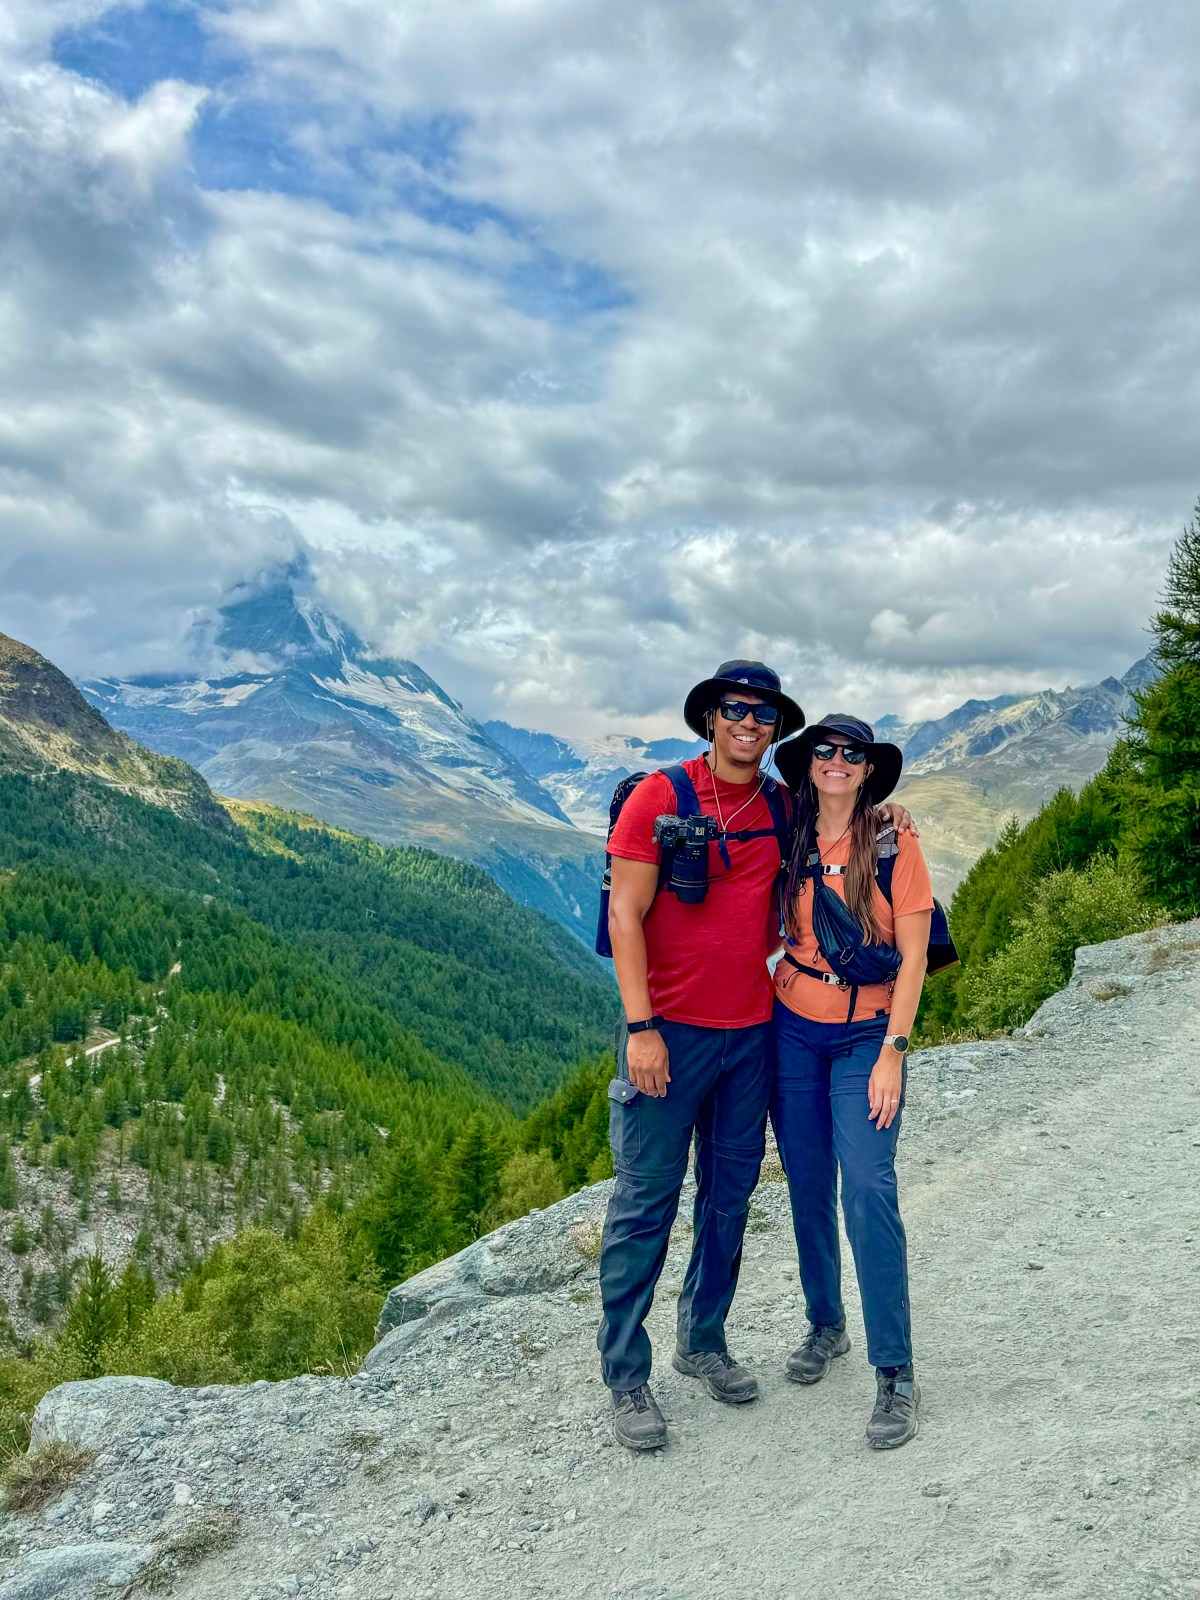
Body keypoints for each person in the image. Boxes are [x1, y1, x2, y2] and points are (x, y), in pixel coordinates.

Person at [598, 665, 911, 1451]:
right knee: (646, 1205)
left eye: (763, 713)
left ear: (775, 728)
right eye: (735, 709)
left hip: (754, 1033)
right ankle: (627, 1378)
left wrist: (889, 810)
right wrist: (640, 1027)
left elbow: (848, 813)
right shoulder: (658, 798)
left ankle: (701, 1341)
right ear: (710, 717)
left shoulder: (781, 804)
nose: (748, 722)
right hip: (668, 1033)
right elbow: (625, 915)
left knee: (728, 1197)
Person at [771, 715, 933, 1450]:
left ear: (869, 769)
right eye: (824, 751)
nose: (836, 761)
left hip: (868, 1035)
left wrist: (893, 1051)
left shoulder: (896, 842)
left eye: (851, 754)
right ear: (807, 764)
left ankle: (894, 1370)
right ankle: (826, 1323)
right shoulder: (790, 832)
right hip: (793, 1029)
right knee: (808, 1182)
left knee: (868, 1188)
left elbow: (915, 955)